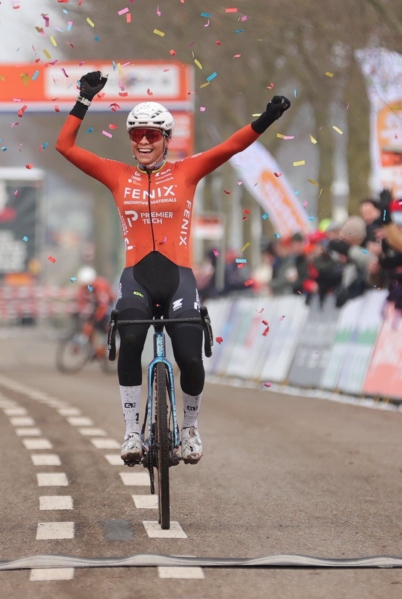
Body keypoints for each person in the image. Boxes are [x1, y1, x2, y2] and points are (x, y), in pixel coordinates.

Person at [56, 71, 290, 464]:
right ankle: (132, 432)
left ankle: (191, 431)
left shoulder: (186, 172)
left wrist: (266, 118)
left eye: (151, 134)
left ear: (166, 139)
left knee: (190, 356)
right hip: (137, 277)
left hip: (178, 278)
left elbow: (232, 146)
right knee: (130, 339)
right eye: (136, 135)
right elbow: (64, 146)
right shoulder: (117, 175)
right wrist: (83, 100)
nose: (143, 141)